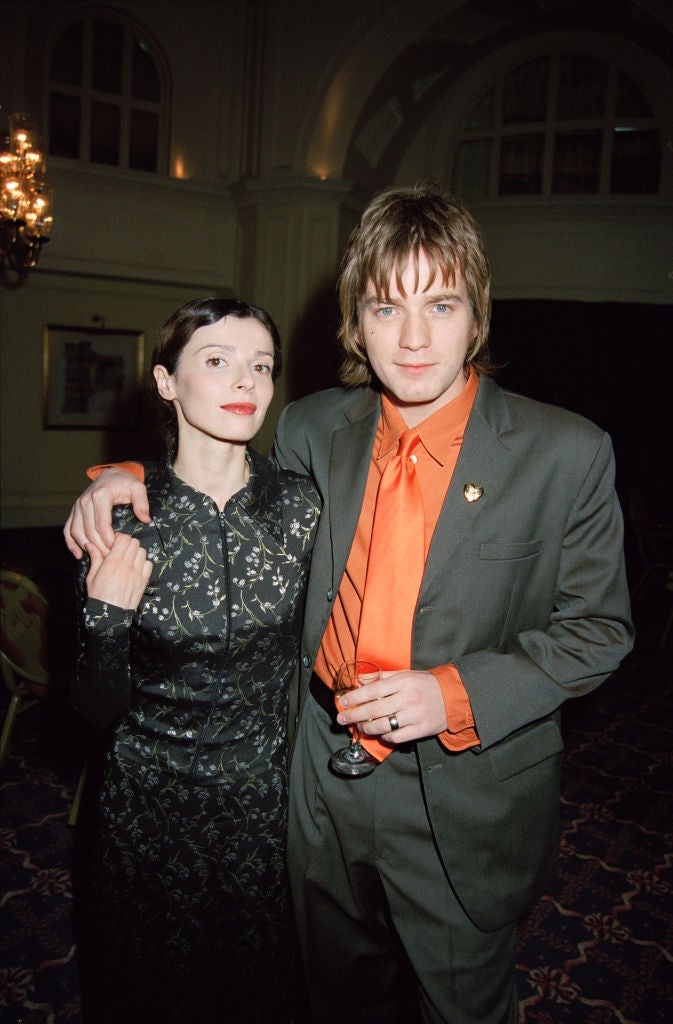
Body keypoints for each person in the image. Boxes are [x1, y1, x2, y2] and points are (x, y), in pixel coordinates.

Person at [64, 184, 634, 1024]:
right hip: (314, 783)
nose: (412, 338)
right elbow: (227, 475)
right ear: (355, 325)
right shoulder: (311, 428)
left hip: (460, 795)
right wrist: (119, 477)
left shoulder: (565, 452)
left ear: (476, 317)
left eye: (440, 305)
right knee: (334, 1000)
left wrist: (452, 693)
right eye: (384, 308)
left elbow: (599, 630)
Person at [69, 297, 320, 1024]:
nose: (246, 381)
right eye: (217, 361)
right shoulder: (118, 517)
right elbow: (91, 711)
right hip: (145, 804)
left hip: (266, 804)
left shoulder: (305, 509)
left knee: (260, 986)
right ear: (165, 382)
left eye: (261, 366)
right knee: (151, 985)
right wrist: (106, 619)